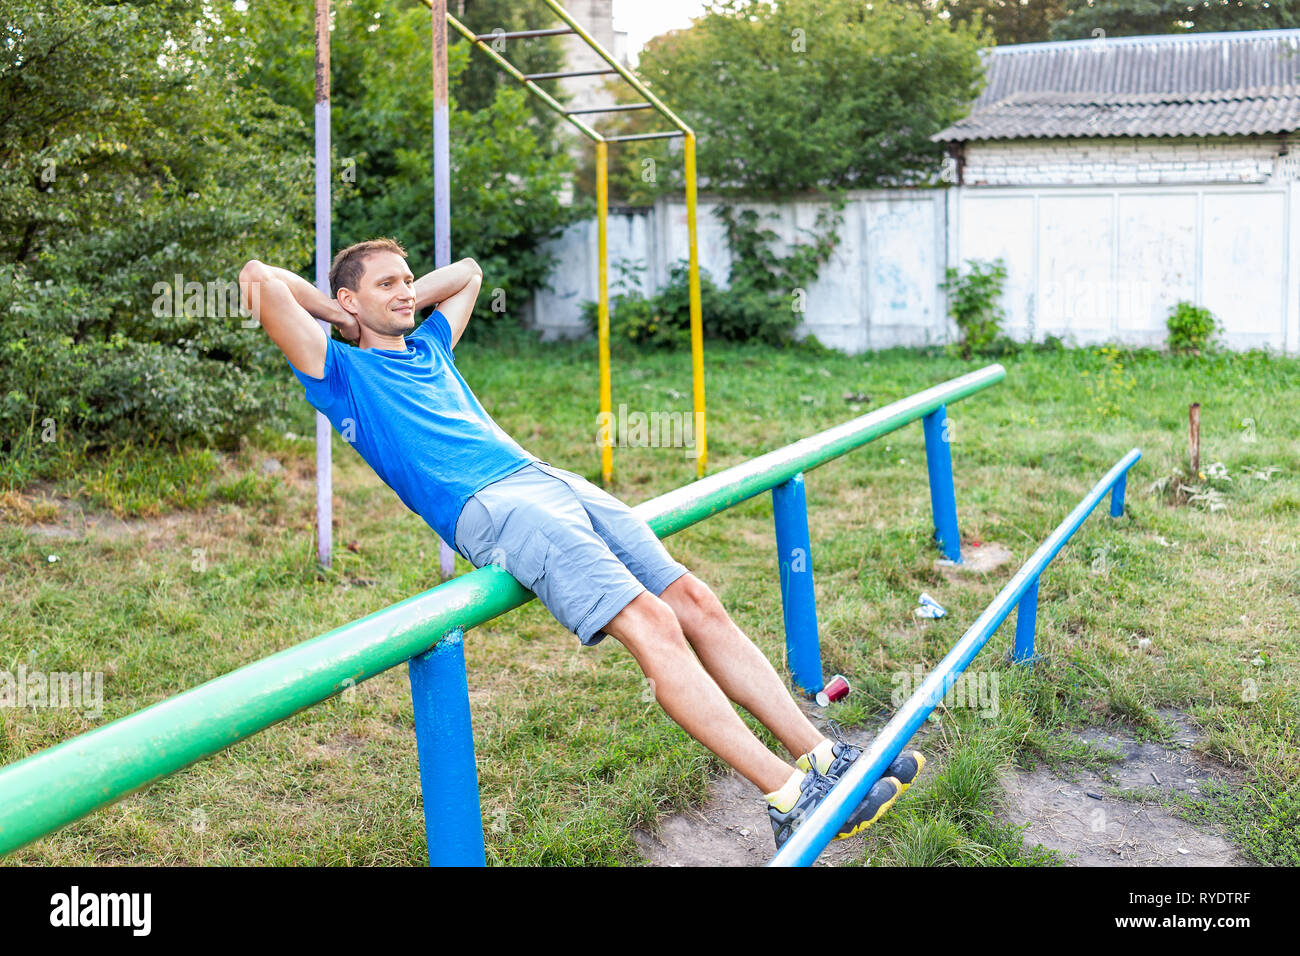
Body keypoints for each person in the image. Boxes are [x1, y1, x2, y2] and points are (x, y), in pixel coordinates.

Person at [238, 237, 924, 850]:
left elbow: (470, 272)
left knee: (693, 598)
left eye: (408, 277)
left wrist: (393, 297)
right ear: (347, 299)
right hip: (493, 508)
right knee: (652, 623)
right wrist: (338, 316)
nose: (407, 290)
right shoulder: (340, 375)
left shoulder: (431, 347)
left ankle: (823, 759)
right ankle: (787, 798)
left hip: (546, 479)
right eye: (385, 283)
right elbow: (262, 279)